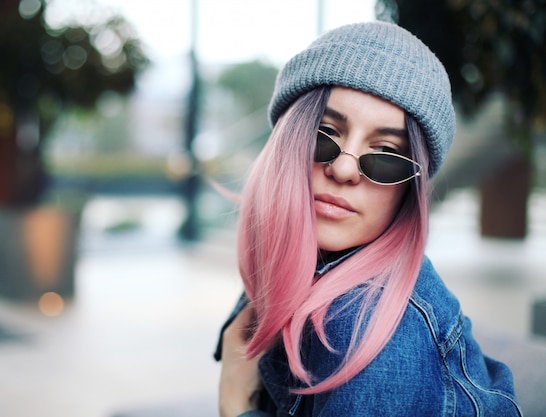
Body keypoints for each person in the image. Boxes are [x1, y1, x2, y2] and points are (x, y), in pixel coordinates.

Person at [213, 21, 522, 416]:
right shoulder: (304, 272)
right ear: (287, 143)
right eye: (324, 134)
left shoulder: (371, 331)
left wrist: (235, 402)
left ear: (408, 192)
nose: (343, 170)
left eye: (385, 156)